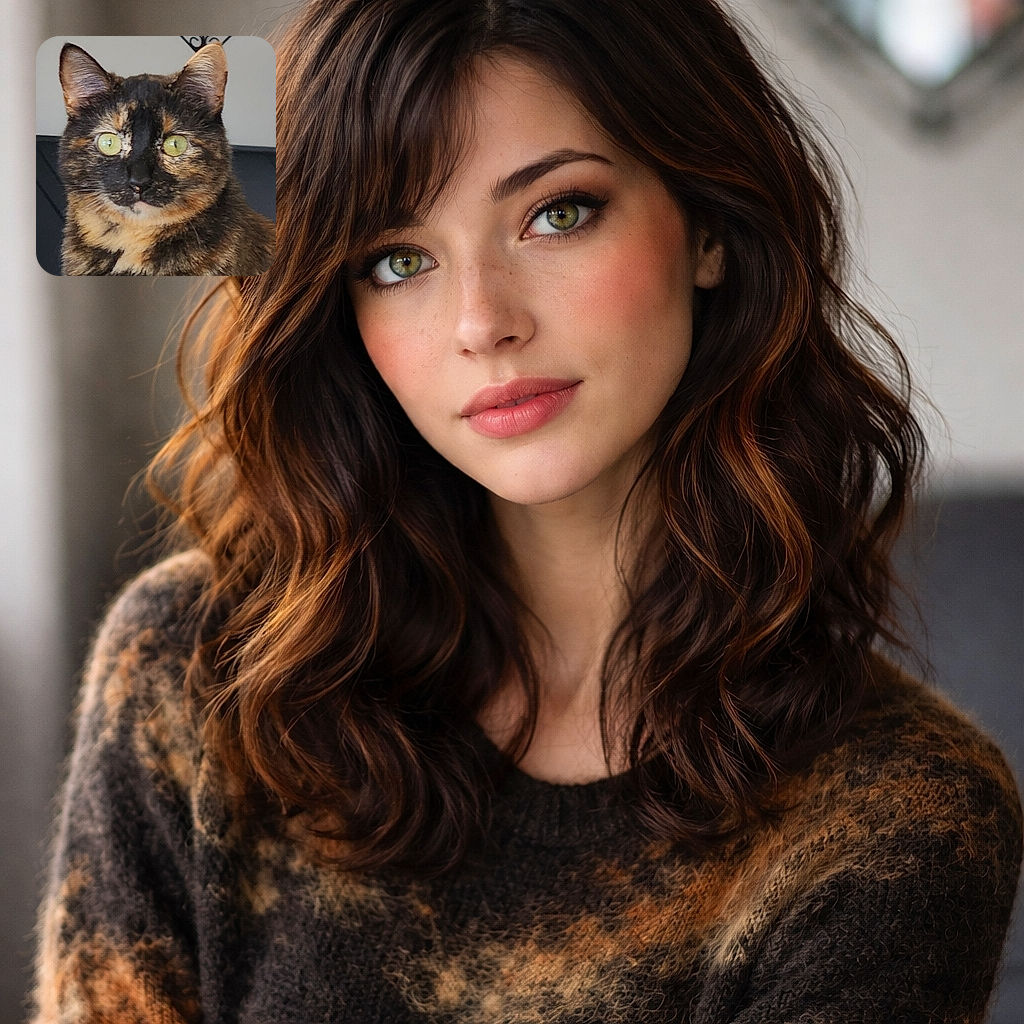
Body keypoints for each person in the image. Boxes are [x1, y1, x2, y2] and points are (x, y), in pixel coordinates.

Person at [30, 0, 1022, 1020]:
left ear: (710, 227)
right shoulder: (195, 674)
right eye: (396, 260)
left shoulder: (899, 812)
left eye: (557, 212)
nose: (481, 322)